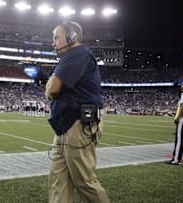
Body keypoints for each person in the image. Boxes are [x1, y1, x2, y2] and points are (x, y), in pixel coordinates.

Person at [45, 21, 110, 203]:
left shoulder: (78, 54)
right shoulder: (70, 57)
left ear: (72, 36)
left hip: (78, 126)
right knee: (59, 182)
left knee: (84, 182)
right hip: (64, 127)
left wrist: (51, 84)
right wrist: (51, 85)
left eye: (56, 37)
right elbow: (51, 89)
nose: (53, 43)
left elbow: (53, 89)